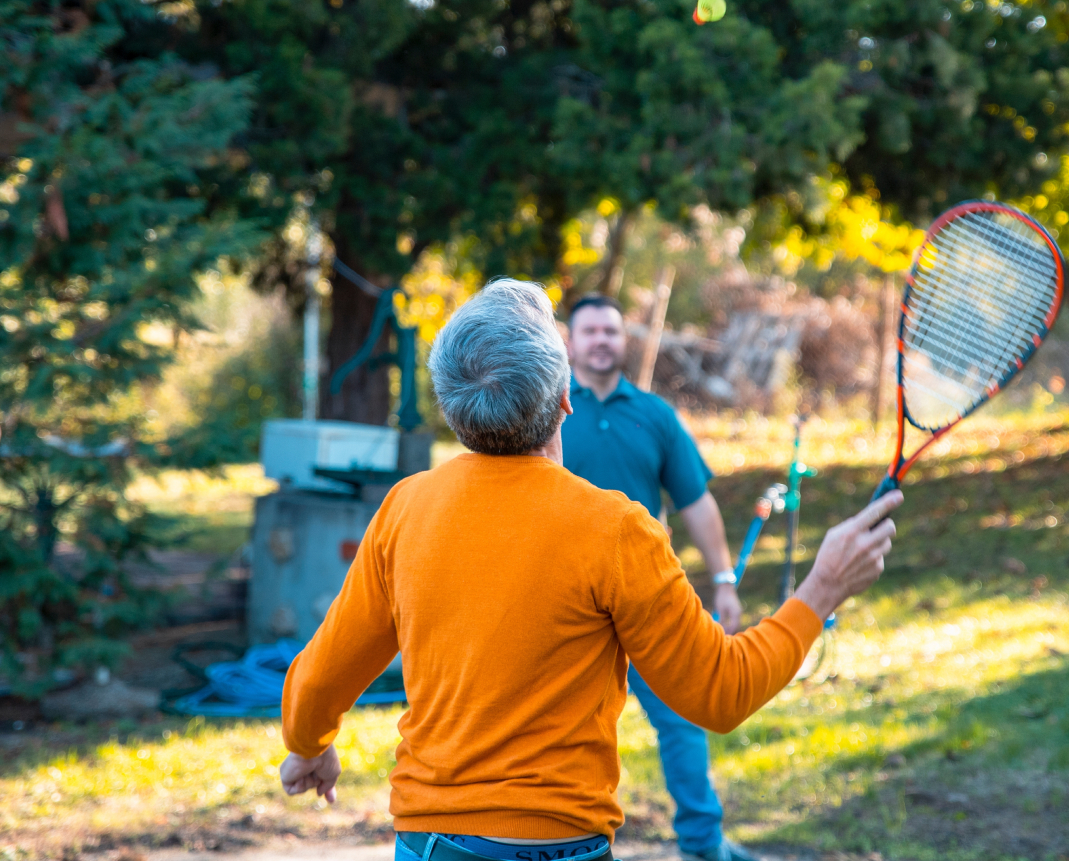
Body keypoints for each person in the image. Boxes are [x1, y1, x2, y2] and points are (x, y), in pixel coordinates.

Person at [277, 278, 903, 861]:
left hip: (429, 841)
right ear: (566, 397)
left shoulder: (403, 510)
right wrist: (821, 590)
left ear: (452, 405)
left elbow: (317, 680)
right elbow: (720, 692)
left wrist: (310, 747)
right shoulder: (615, 528)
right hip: (557, 844)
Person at [561, 294, 744, 861]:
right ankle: (561, 841)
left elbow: (696, 502)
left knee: (684, 717)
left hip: (645, 598)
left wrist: (724, 579)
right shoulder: (545, 411)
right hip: (563, 603)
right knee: (562, 729)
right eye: (589, 330)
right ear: (569, 341)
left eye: (611, 331)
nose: (601, 340)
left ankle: (702, 843)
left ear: (624, 340)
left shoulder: (655, 415)